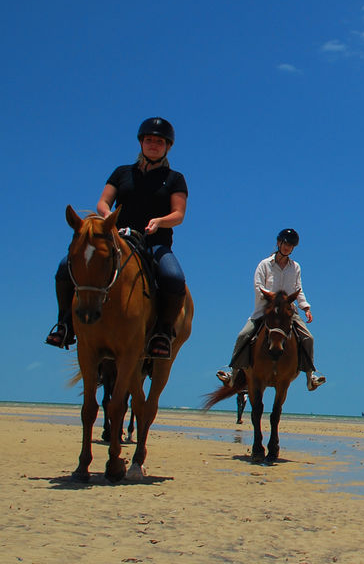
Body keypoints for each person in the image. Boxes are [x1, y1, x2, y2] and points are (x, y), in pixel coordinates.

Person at [45, 117, 189, 359]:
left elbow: (179, 214)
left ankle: (162, 334)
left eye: (159, 142)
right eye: (149, 140)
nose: (153, 145)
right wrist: (107, 214)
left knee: (174, 277)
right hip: (117, 238)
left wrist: (160, 221)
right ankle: (65, 324)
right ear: (141, 143)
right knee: (64, 266)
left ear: (167, 147)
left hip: (154, 241)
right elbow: (103, 201)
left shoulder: (175, 178)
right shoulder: (122, 173)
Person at [216, 228, 326, 391]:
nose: (287, 247)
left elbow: (298, 288)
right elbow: (258, 286)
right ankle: (232, 374)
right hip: (265, 310)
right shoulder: (265, 265)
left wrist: (306, 307)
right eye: (285, 243)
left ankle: (310, 377)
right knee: (243, 335)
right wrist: (275, 298)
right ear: (278, 242)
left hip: (288, 312)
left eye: (291, 245)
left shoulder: (295, 267)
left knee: (308, 338)